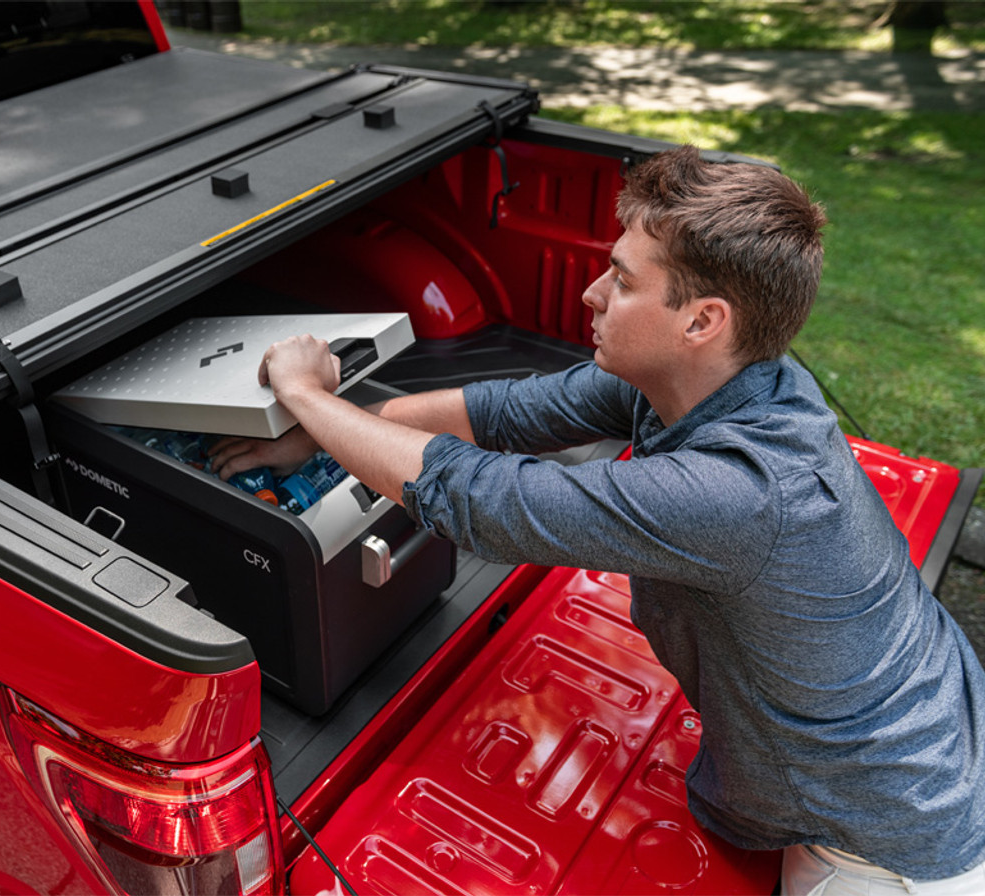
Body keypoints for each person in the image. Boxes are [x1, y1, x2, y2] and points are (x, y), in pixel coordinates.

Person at [208, 144, 985, 895]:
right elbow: (507, 413)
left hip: (888, 842)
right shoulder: (720, 379)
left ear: (701, 320)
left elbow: (480, 497)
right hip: (919, 723)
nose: (591, 295)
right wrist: (329, 430)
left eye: (620, 279)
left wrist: (310, 396)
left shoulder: (739, 494)